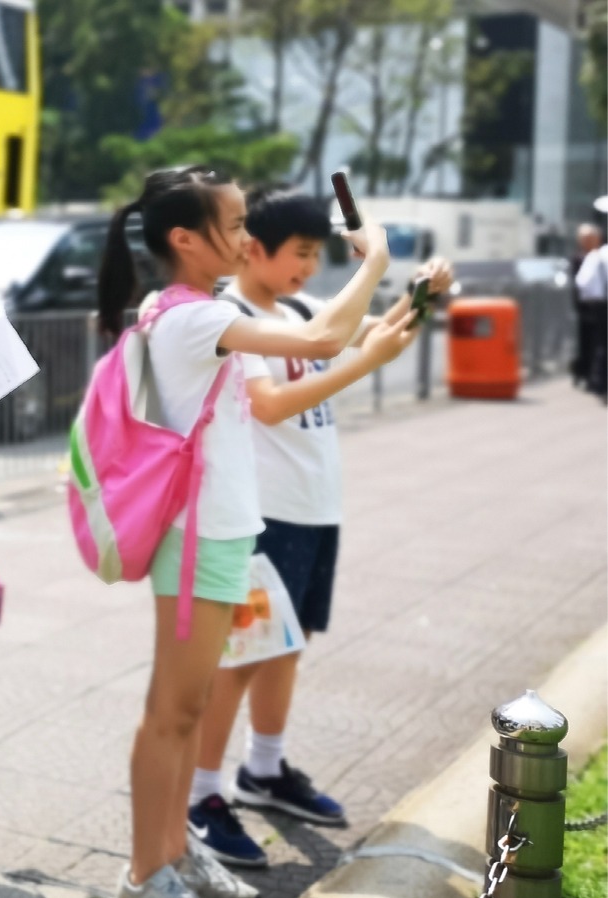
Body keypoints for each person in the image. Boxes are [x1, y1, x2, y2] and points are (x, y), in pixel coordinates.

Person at [93, 166, 390, 898]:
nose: (243, 237)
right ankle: (147, 869)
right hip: (198, 535)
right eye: (232, 226)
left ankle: (175, 851)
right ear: (185, 240)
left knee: (189, 706)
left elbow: (321, 335)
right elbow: (323, 337)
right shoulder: (190, 316)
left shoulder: (191, 310)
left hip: (221, 530)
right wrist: (374, 262)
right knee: (171, 711)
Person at [184, 187, 445, 870]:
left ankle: (264, 769)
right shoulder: (235, 318)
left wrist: (421, 296)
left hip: (314, 507)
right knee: (242, 656)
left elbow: (380, 331)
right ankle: (202, 794)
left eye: (314, 255)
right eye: (299, 253)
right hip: (262, 516)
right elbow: (269, 405)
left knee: (287, 646)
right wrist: (365, 358)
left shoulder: (299, 311)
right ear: (255, 249)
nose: (308, 267)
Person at [572, 223, 605, 397]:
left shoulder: (597, 256)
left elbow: (582, 282)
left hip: (596, 305)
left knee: (599, 344)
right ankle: (589, 376)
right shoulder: (586, 257)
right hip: (591, 306)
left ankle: (596, 379)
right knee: (590, 343)